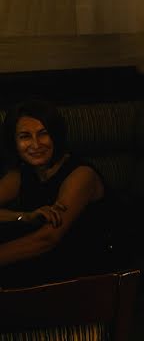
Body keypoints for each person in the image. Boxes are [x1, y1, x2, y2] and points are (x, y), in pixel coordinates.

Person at [0, 100, 107, 287]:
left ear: (56, 136)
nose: (36, 144)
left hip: (88, 260)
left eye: (43, 134)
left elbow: (48, 238)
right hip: (50, 257)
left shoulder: (81, 175)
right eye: (25, 136)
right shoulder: (21, 173)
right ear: (14, 143)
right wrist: (22, 217)